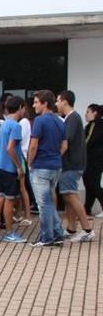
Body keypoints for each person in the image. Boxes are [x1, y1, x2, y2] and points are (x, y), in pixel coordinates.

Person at [0, 96, 28, 243]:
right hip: (9, 168)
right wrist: (19, 166)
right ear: (21, 107)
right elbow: (11, 148)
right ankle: (9, 232)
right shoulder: (16, 126)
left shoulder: (4, 124)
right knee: (10, 200)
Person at [27, 90, 68, 247]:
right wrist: (55, 155)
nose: (34, 105)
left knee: (43, 204)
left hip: (41, 166)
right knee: (49, 202)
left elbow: (33, 145)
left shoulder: (39, 120)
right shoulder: (60, 121)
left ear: (45, 104)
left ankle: (46, 237)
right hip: (55, 166)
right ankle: (58, 234)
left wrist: (30, 162)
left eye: (36, 102)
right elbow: (64, 145)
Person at [55, 91, 95, 242]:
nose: (57, 104)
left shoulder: (72, 118)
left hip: (71, 165)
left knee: (71, 195)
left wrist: (55, 157)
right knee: (67, 196)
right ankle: (71, 228)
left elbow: (65, 142)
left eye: (58, 101)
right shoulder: (71, 118)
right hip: (72, 164)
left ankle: (87, 230)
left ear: (65, 101)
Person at [84, 104, 103, 217]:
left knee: (94, 185)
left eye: (88, 112)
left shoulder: (93, 125)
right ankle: (86, 209)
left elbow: (87, 141)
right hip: (96, 160)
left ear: (94, 113)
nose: (86, 115)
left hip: (93, 160)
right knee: (89, 185)